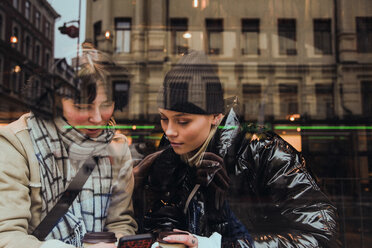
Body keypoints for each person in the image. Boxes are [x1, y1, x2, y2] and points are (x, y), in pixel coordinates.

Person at [131, 50, 341, 247]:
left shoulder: (263, 152)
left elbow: (321, 237)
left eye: (183, 121)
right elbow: (162, 219)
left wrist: (221, 245)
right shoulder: (172, 155)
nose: (169, 131)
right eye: (163, 119)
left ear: (216, 116)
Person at [0, 48, 137, 248]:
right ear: (54, 101)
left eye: (107, 104)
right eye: (82, 106)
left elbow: (120, 222)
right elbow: (7, 235)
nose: (98, 118)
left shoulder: (116, 148)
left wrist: (115, 243)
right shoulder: (16, 143)